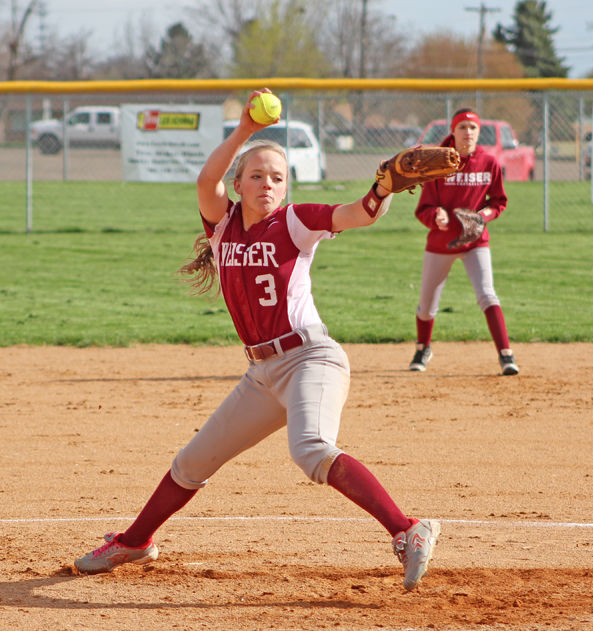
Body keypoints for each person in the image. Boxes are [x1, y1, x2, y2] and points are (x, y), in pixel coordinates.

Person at [73, 89, 440, 591]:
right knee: (193, 462)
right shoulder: (222, 227)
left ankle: (408, 530)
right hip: (262, 374)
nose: (268, 184)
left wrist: (383, 189)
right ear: (239, 184)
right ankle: (135, 541)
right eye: (257, 175)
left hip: (311, 358)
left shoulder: (294, 221)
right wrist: (245, 130)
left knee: (311, 449)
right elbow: (206, 180)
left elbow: (359, 213)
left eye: (277, 177)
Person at [408, 108, 519, 376]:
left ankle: (506, 354)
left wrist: (484, 215)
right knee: (427, 305)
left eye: (472, 128)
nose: (467, 133)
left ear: (479, 133)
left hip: (475, 241)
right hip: (441, 243)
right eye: (462, 128)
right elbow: (423, 209)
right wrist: (436, 215)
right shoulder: (439, 162)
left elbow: (498, 202)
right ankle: (423, 348)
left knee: (487, 294)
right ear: (453, 132)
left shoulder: (489, 163)